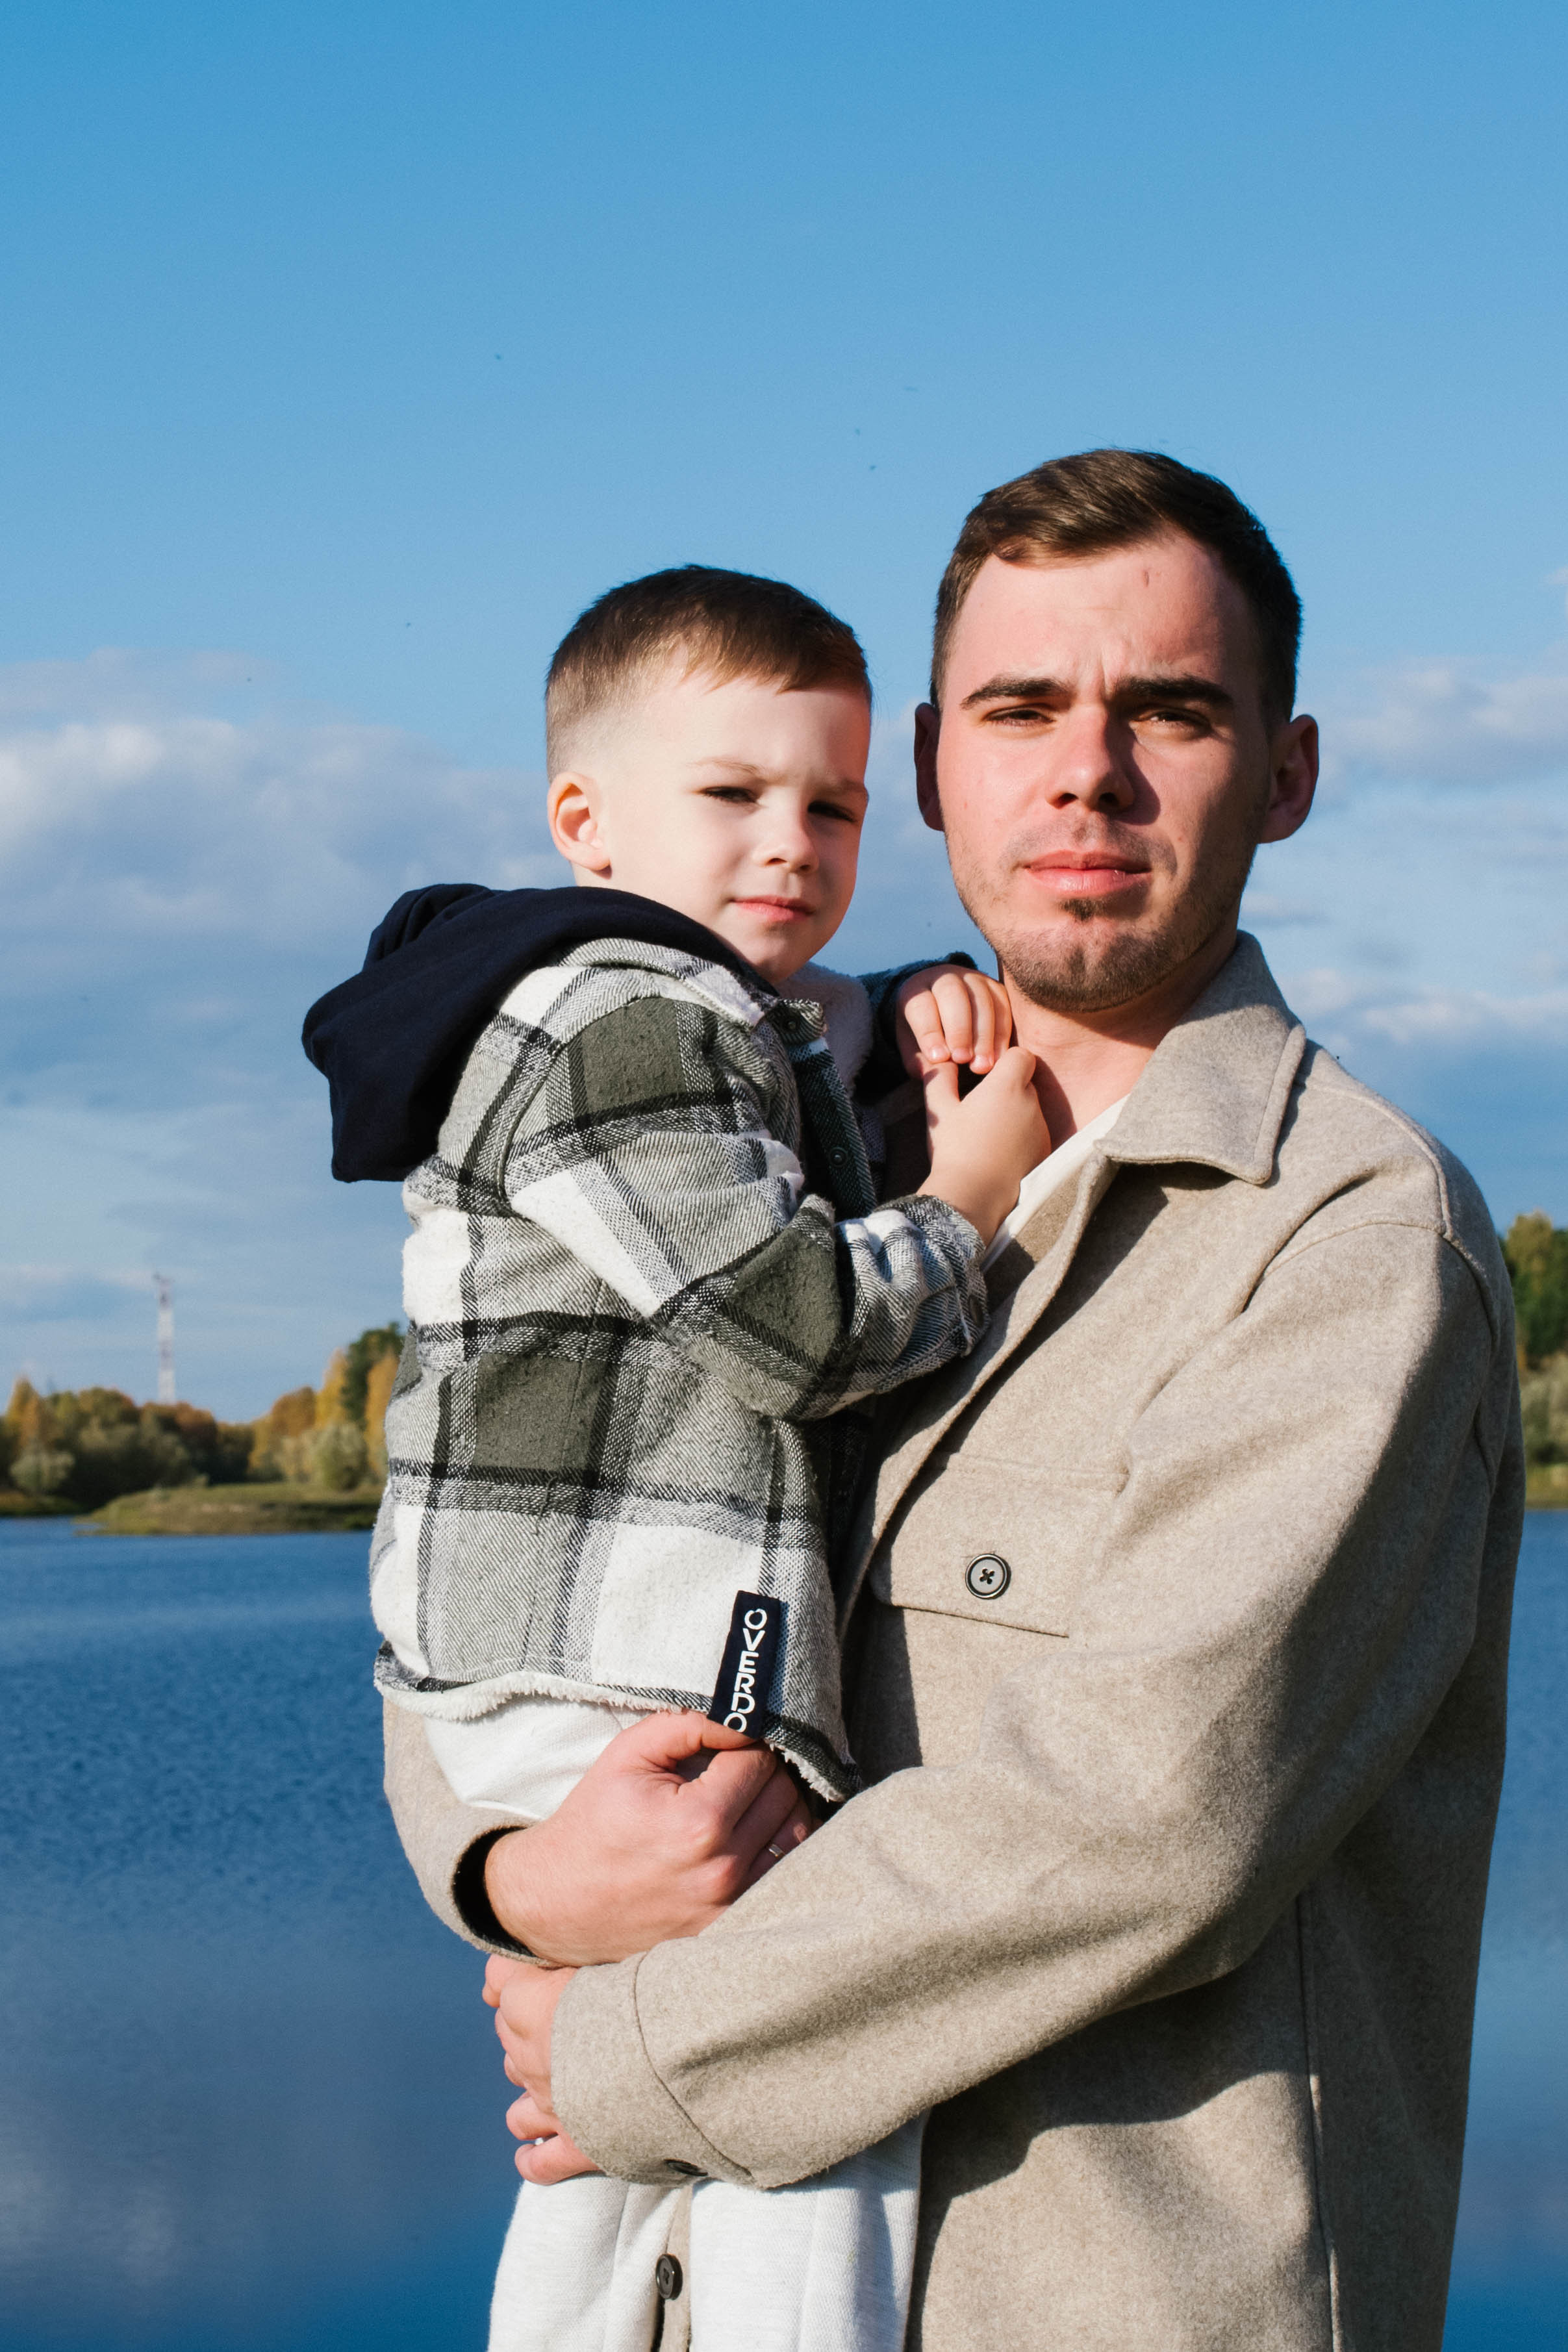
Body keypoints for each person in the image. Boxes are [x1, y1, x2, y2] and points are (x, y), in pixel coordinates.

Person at [386, 451, 1524, 2350]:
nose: (1088, 771)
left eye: (1170, 710)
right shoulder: (783, 1174)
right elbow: (491, 1531)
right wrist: (517, 1867)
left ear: (1292, 771)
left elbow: (1149, 1818)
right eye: (1022, 712)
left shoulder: (1344, 1238)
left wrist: (628, 2038)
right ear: (933, 768)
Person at [304, 563, 1051, 2352]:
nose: (791, 841)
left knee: (606, 2164)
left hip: (568, 1646)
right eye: (732, 796)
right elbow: (788, 1322)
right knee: (805, 2120)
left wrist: (917, 1009)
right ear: (587, 817)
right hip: (626, 1659)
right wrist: (971, 1194)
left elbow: (782, 1089)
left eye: (837, 803)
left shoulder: (642, 1002)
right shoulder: (626, 1013)